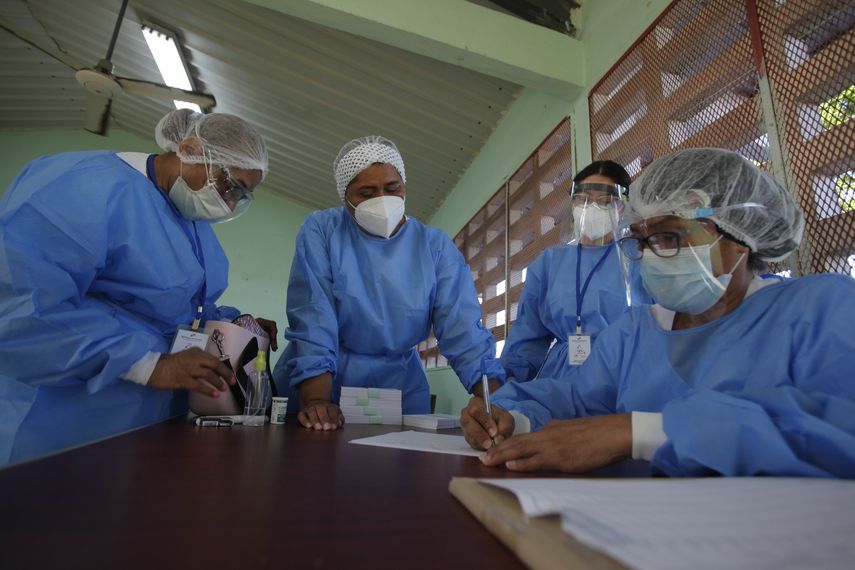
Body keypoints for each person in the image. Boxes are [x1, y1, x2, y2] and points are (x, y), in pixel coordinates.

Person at [461, 148, 855, 478]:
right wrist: (512, 417)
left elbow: (836, 424)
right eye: (642, 239)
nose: (651, 254)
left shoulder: (821, 310)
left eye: (669, 235)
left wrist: (641, 432)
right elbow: (574, 398)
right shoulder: (636, 332)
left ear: (739, 237)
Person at [0, 108, 277, 465]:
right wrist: (148, 365)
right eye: (230, 185)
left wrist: (235, 324)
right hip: (60, 421)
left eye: (242, 196)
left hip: (146, 421)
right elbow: (21, 306)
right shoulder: (88, 185)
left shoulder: (190, 221)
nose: (230, 202)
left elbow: (181, 311)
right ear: (190, 150)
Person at [275, 135, 503, 430]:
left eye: (392, 188)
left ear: (404, 186)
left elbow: (462, 328)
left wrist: (494, 402)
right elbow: (313, 316)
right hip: (324, 380)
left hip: (400, 385)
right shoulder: (323, 231)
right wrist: (317, 400)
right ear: (345, 197)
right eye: (366, 193)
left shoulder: (433, 246)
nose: (382, 199)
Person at [501, 161, 651, 382]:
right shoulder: (550, 263)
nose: (592, 207)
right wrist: (506, 384)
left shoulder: (639, 256)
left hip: (627, 374)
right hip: (562, 378)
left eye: (605, 201)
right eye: (583, 199)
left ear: (622, 207)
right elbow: (527, 337)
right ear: (573, 204)